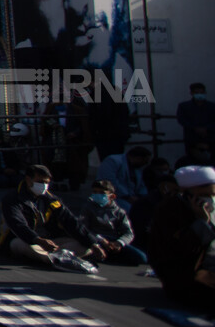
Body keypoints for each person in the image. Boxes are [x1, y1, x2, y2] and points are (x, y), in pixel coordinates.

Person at [0, 164, 106, 267]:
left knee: (86, 247)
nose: (44, 186)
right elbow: (17, 224)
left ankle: (56, 257)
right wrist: (38, 240)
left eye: (46, 182)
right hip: (26, 240)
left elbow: (71, 221)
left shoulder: (52, 200)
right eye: (40, 182)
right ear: (28, 180)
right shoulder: (12, 199)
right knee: (21, 245)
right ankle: (56, 259)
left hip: (50, 242)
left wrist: (93, 244)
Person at [148, 165, 215, 313]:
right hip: (181, 274)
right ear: (187, 194)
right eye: (205, 195)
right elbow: (178, 250)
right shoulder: (169, 210)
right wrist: (202, 222)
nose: (210, 199)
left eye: (212, 195)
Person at [78, 180, 147, 266]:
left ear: (112, 196)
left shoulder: (119, 212)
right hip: (95, 239)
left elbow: (128, 233)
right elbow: (83, 228)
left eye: (102, 193)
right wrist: (100, 239)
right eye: (95, 192)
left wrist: (119, 243)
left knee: (141, 258)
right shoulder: (88, 208)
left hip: (113, 241)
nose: (97, 195)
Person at [177, 83, 215, 152]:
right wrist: (195, 128)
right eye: (197, 92)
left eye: (201, 92)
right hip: (192, 138)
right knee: (192, 159)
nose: (199, 94)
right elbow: (181, 119)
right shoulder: (184, 106)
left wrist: (207, 128)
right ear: (191, 93)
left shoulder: (212, 106)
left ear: (205, 92)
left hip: (210, 138)